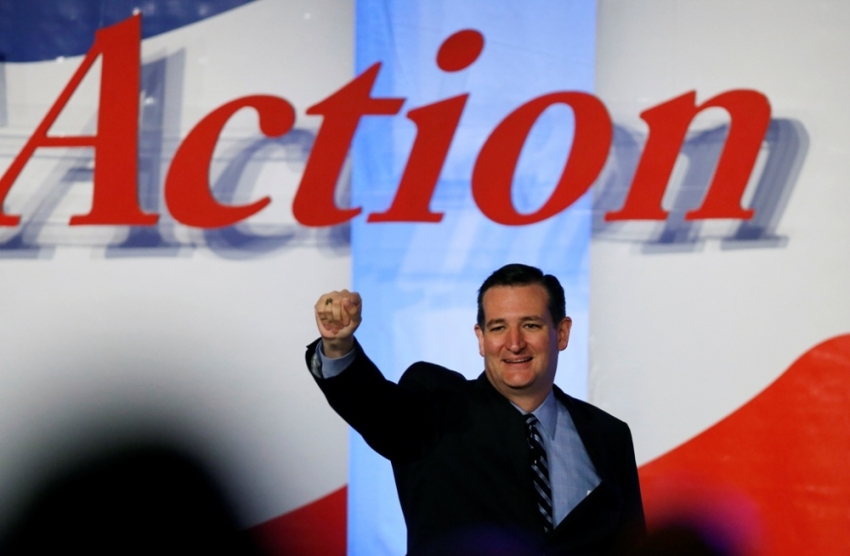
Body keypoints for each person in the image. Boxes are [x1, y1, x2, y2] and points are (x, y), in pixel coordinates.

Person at [307, 263, 645, 555]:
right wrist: (339, 347)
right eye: (498, 327)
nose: (514, 343)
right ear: (481, 338)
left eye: (530, 324)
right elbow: (377, 410)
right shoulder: (435, 406)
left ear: (562, 332)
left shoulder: (608, 434)